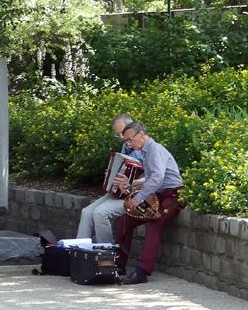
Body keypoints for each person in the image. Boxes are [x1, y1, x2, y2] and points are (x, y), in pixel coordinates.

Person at [114, 121, 183, 285]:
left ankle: (142, 272)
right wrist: (131, 186)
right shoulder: (146, 151)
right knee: (126, 220)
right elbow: (152, 178)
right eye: (126, 142)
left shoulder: (154, 149)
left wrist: (138, 198)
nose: (129, 144)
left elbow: (158, 178)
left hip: (173, 195)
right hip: (159, 194)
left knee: (155, 223)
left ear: (141, 134)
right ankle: (117, 265)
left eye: (130, 140)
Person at [76, 114, 144, 243]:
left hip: (135, 195)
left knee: (100, 213)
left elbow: (152, 177)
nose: (121, 138)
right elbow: (123, 167)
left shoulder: (145, 148)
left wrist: (131, 183)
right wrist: (112, 173)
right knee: (87, 212)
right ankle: (78, 252)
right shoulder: (126, 146)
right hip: (120, 192)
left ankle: (106, 255)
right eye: (117, 134)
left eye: (123, 133)